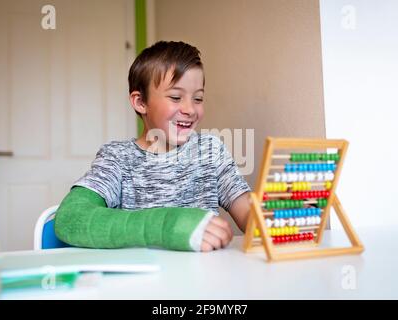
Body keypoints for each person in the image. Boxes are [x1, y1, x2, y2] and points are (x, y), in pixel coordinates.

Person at [54, 41, 251, 252]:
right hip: (143, 282)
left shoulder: (210, 151)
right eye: (176, 97)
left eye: (198, 98)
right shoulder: (118, 158)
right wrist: (165, 225)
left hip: (205, 278)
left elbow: (248, 212)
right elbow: (71, 218)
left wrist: (278, 212)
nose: (190, 109)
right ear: (140, 102)